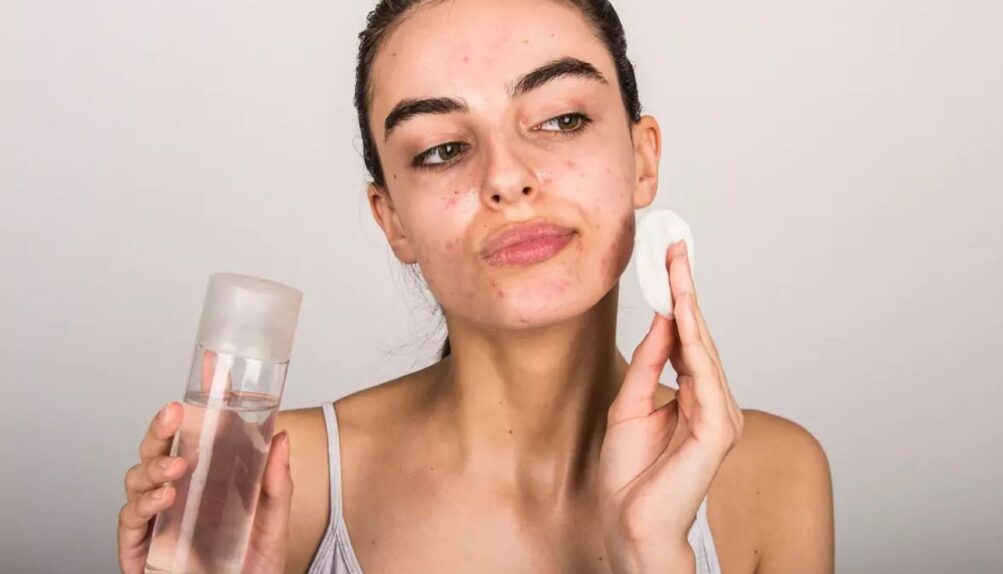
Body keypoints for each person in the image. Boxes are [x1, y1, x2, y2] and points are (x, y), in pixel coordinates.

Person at [117, 0, 835, 572]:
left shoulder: (774, 480)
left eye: (560, 119)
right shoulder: (281, 477)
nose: (505, 178)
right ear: (392, 218)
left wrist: (649, 556)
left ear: (642, 159)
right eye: (441, 150)